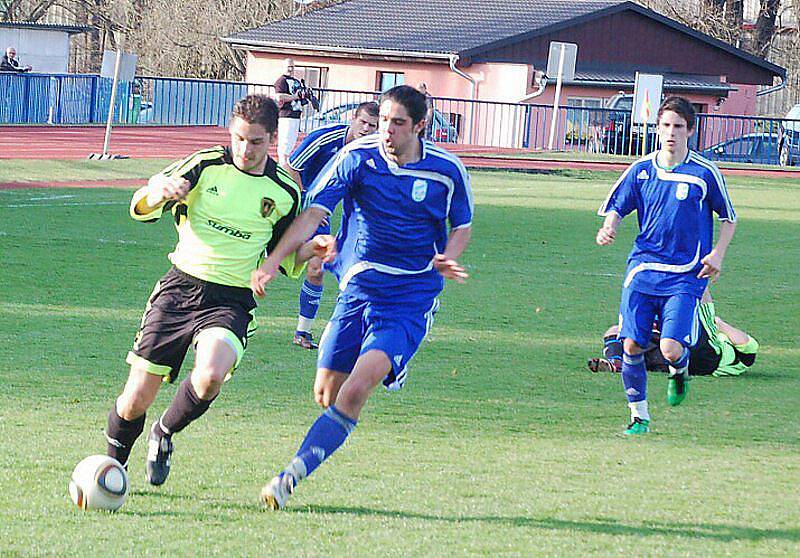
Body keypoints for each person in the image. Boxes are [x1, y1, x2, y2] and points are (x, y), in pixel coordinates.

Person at [250, 84, 473, 509]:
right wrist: (274, 261)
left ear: (420, 126)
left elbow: (461, 224)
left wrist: (449, 256)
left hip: (410, 297)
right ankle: (376, 374)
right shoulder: (357, 158)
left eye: (398, 123)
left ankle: (288, 477)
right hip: (358, 289)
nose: (387, 131)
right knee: (326, 395)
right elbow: (314, 214)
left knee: (355, 391)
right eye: (384, 120)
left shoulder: (446, 170)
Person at [101, 94, 334, 487]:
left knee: (209, 376)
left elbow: (284, 257)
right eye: (240, 138)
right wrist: (159, 191)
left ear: (272, 138)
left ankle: (164, 432)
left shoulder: (283, 192)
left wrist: (311, 250)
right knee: (134, 399)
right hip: (179, 290)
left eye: (256, 141)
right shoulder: (205, 165)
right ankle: (112, 469)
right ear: (231, 132)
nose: (246, 149)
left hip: (231, 300)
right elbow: (140, 205)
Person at [596, 96, 737, 435]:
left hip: (686, 275)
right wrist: (610, 226)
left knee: (670, 348)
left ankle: (679, 370)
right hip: (643, 269)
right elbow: (618, 205)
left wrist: (717, 254)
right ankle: (639, 417)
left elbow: (728, 218)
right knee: (630, 344)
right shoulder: (642, 169)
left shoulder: (704, 173)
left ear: (691, 129)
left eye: (678, 126)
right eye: (665, 126)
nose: (671, 133)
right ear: (657, 129)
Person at [286, 101, 380, 349]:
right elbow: (291, 167)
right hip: (292, 202)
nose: (366, 129)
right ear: (353, 119)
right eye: (362, 122)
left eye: (372, 125)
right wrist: (307, 205)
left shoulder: (374, 148)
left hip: (321, 212)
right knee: (262, 257)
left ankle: (302, 332)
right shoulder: (325, 137)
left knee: (317, 267)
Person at [588, 289, 758, 377]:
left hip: (706, 359)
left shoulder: (740, 359)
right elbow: (744, 341)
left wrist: (720, 324)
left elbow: (747, 344)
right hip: (673, 355)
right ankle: (617, 364)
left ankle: (620, 360)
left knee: (701, 295)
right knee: (616, 331)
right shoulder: (730, 350)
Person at [274, 58, 304, 168]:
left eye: (292, 66)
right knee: (284, 146)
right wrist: (295, 97)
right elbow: (279, 97)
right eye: (288, 66)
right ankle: (283, 167)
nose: (290, 69)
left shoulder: (296, 81)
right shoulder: (281, 81)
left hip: (296, 116)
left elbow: (301, 97)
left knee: (291, 144)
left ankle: (285, 166)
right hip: (286, 116)